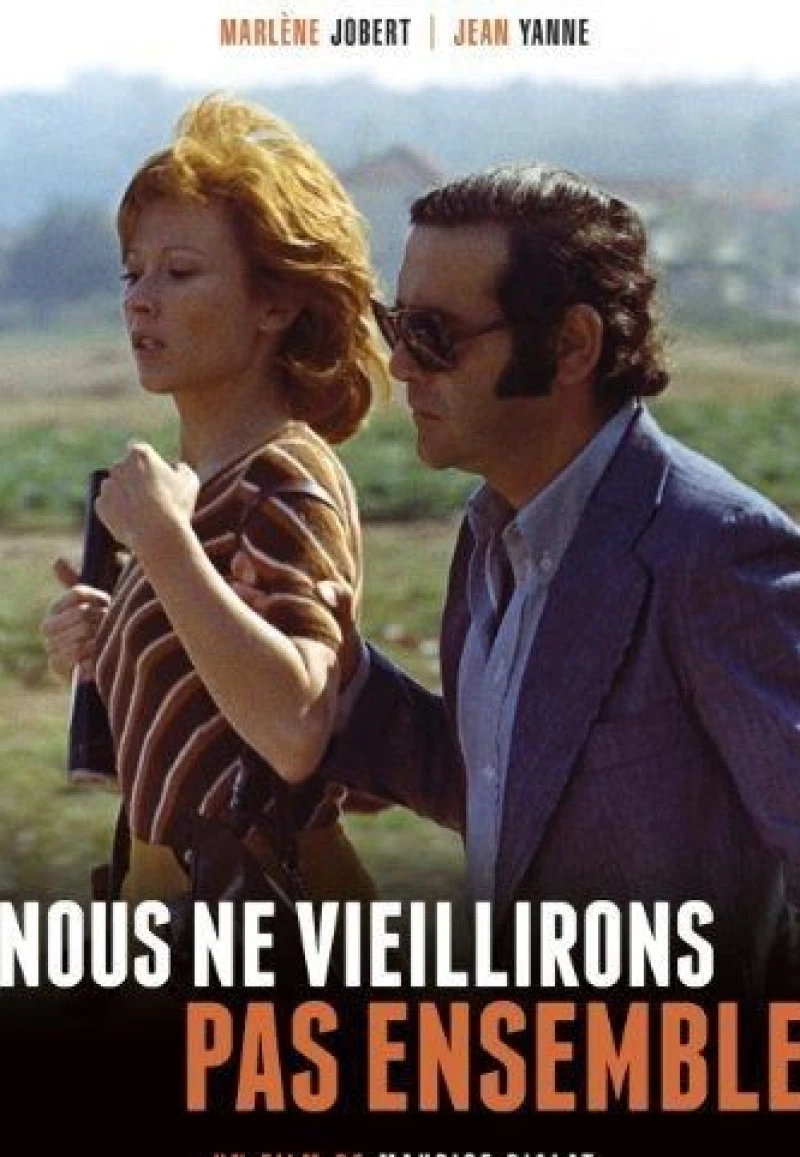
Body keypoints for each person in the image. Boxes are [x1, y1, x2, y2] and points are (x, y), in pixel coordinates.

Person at [282, 163, 800, 1003]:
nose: (401, 366)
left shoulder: (711, 552)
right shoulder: (491, 535)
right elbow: (509, 790)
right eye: (395, 324)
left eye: (434, 335)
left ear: (570, 346)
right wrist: (347, 683)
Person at [41, 93, 389, 909]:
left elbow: (295, 730)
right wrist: (103, 643)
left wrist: (164, 549)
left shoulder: (285, 478)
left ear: (276, 302)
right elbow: (202, 737)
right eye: (133, 271)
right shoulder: (196, 485)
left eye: (180, 272)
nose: (140, 298)